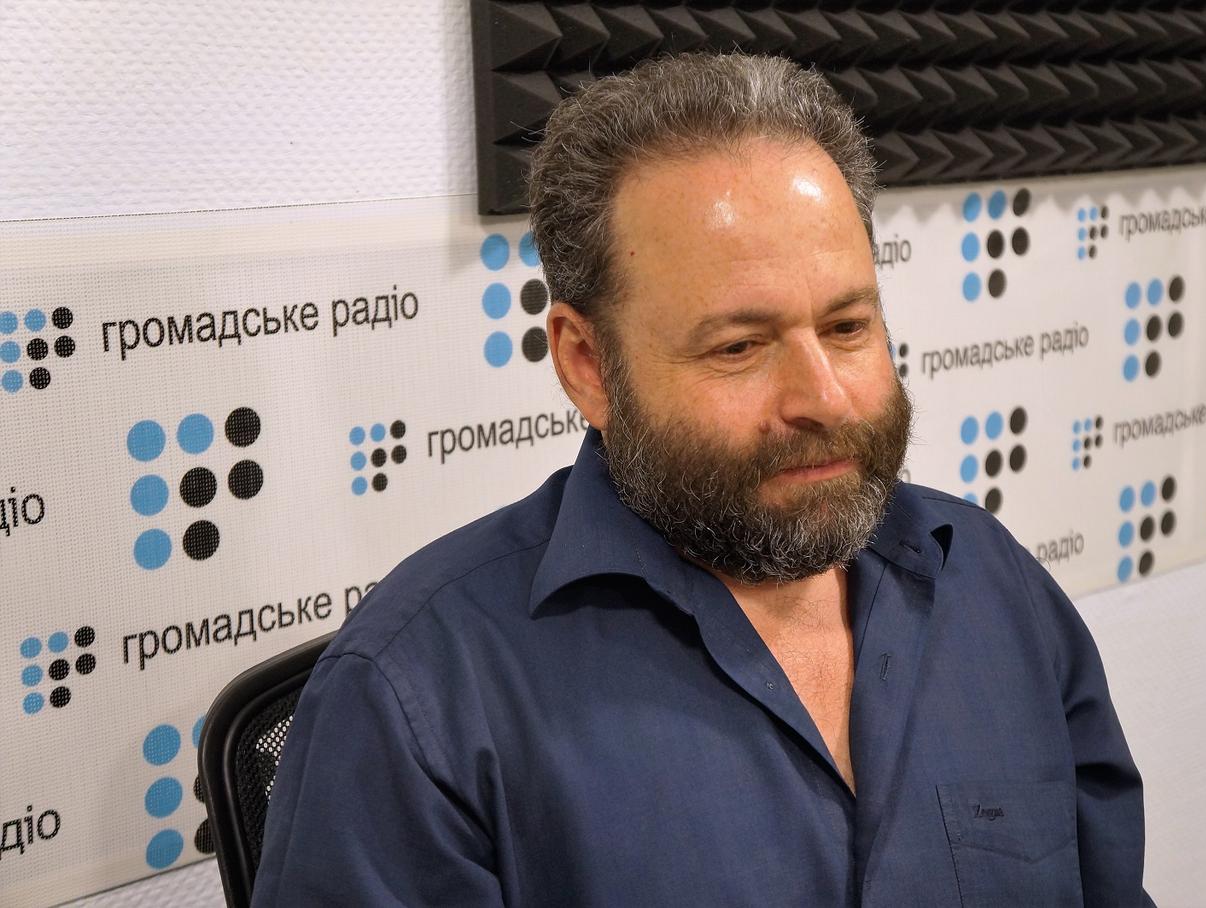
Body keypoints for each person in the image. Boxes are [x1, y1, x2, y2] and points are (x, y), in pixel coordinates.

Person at [253, 52, 1153, 906]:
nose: (825, 398)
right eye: (739, 347)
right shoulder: (415, 697)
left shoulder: (991, 586)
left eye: (847, 328)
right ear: (586, 364)